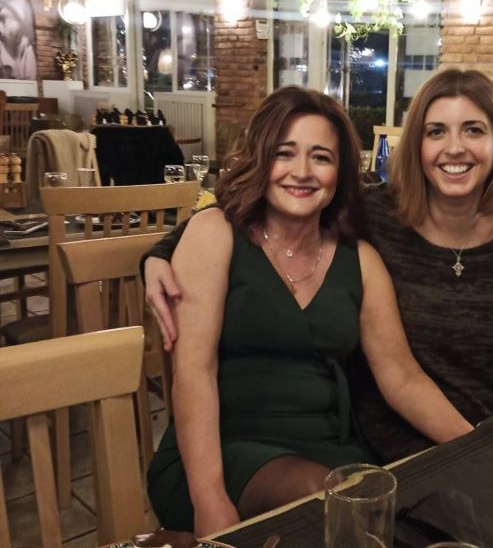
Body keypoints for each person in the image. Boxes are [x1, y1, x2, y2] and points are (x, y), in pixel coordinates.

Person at [144, 68, 493, 463]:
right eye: (436, 131)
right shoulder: (379, 214)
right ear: (417, 144)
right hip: (396, 444)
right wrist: (160, 251)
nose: (455, 147)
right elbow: (257, 212)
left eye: (474, 130)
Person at [146, 86, 473, 536]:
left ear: (340, 172)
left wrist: (478, 442)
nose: (301, 172)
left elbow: (402, 378)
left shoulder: (360, 259)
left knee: (415, 514)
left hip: (332, 452)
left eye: (321, 157)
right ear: (260, 159)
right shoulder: (215, 232)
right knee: (334, 505)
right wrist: (209, 499)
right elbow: (192, 374)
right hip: (218, 450)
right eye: (284, 153)